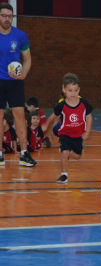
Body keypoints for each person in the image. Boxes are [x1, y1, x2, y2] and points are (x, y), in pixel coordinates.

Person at [0, 2, 36, 166]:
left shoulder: (20, 35)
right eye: (4, 16)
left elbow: (27, 59)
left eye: (10, 16)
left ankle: (24, 154)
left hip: (15, 82)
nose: (7, 19)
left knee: (20, 117)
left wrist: (24, 74)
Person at [45, 74, 93, 183]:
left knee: (77, 156)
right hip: (65, 133)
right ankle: (64, 175)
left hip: (78, 134)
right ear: (64, 90)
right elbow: (53, 117)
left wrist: (88, 131)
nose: (73, 93)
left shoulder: (84, 104)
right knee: (64, 153)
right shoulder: (61, 106)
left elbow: (89, 117)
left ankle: (68, 150)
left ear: (79, 90)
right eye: (70, 90)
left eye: (76, 90)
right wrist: (46, 124)